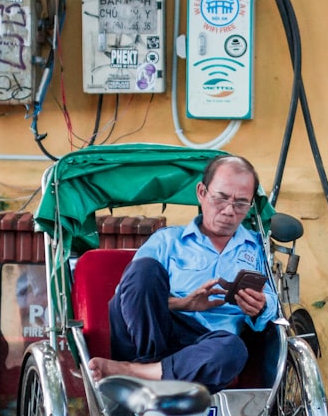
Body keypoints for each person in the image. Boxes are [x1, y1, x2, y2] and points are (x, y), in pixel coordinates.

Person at [87, 155, 279, 392]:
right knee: (144, 269)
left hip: (206, 346)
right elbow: (131, 295)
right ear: (202, 192)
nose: (229, 211)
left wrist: (261, 306)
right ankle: (151, 363)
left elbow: (272, 303)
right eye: (221, 198)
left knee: (233, 349)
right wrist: (183, 303)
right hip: (153, 335)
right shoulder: (166, 240)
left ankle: (139, 373)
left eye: (241, 203)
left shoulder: (256, 247)